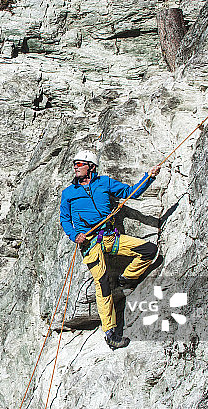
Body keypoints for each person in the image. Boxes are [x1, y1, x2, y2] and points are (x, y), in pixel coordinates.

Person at [60, 150, 161, 350]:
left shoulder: (104, 183)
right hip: (90, 242)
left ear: (91, 166)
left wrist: (149, 177)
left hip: (110, 237)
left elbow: (132, 192)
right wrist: (75, 236)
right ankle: (110, 333)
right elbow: (65, 219)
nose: (76, 167)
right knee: (103, 282)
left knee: (149, 250)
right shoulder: (69, 193)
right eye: (75, 164)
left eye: (80, 163)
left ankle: (127, 278)